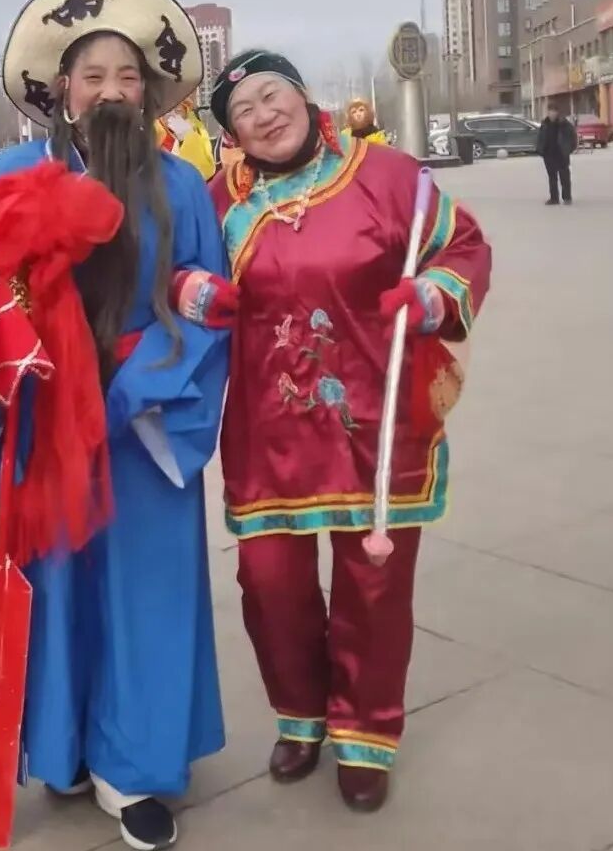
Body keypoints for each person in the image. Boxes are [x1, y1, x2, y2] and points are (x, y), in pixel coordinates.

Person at [0, 0, 230, 851]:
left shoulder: (182, 185)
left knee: (145, 593)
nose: (111, 91)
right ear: (62, 89)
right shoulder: (9, 176)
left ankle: (136, 765)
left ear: (147, 92)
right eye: (93, 75)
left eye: (128, 77)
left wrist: (130, 390)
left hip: (145, 420)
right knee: (58, 587)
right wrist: (23, 377)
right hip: (45, 417)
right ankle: (63, 746)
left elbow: (208, 302)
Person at [204, 49, 491, 813]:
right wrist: (189, 287)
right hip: (267, 430)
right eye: (243, 112)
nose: (264, 115)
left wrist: (434, 295)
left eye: (272, 95)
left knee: (374, 586)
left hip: (375, 419)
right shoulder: (218, 202)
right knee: (269, 583)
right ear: (233, 135)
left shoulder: (388, 176)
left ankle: (365, 735)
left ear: (303, 96)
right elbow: (171, 273)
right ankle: (300, 717)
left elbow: (462, 246)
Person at [155, 96, 217, 179]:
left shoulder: (196, 127)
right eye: (168, 110)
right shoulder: (155, 132)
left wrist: (187, 137)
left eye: (178, 110)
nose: (172, 114)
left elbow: (206, 171)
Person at [537, 103, 577, 205]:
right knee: (552, 178)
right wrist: (540, 150)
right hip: (548, 155)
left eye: (554, 111)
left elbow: (573, 138)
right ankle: (554, 198)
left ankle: (567, 197)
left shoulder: (565, 124)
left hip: (561, 154)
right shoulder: (545, 124)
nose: (552, 113)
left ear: (557, 112)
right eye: (550, 111)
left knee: (564, 177)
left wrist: (568, 150)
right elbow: (540, 137)